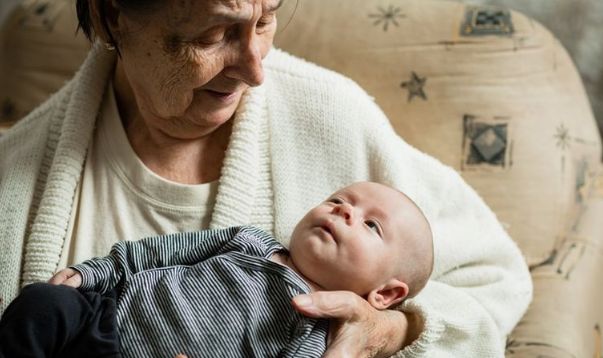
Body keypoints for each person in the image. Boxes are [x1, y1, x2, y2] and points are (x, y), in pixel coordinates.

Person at [0, 0, 532, 356]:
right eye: (214, 34)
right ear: (114, 15)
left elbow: (495, 280)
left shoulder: (334, 117)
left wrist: (395, 329)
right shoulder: (14, 178)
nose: (256, 69)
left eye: (266, 19)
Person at [0, 181, 434, 358]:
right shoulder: (249, 240)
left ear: (385, 295)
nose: (344, 212)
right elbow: (155, 253)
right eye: (340, 199)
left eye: (371, 225)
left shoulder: (320, 333)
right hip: (104, 313)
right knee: (44, 301)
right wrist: (90, 273)